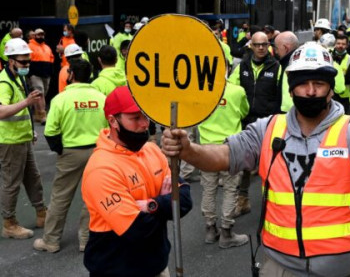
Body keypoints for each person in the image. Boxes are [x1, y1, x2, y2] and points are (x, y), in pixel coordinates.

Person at [161, 42, 350, 277]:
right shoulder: (268, 128)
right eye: (304, 83)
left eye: (319, 83)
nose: (311, 91)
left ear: (331, 88)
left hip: (338, 270)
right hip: (280, 267)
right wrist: (188, 150)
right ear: (292, 88)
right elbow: (225, 155)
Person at [81, 86, 192, 277]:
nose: (144, 124)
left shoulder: (151, 150)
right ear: (113, 121)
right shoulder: (102, 168)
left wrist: (151, 205)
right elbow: (138, 229)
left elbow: (184, 199)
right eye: (135, 118)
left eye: (145, 116)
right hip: (116, 270)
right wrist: (165, 202)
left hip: (157, 265)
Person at [33, 58, 108, 253]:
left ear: (71, 75)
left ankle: (51, 240)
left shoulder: (60, 99)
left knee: (60, 197)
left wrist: (60, 150)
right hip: (98, 152)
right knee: (92, 197)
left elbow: (50, 132)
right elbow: (110, 128)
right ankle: (87, 239)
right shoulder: (101, 97)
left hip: (70, 153)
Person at [228, 31, 291, 217]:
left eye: (264, 44)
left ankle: (273, 201)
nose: (261, 48)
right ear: (251, 46)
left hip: (269, 121)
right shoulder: (242, 67)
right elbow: (231, 89)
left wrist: (282, 118)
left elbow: (284, 96)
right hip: (247, 120)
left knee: (271, 162)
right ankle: (243, 199)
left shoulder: (277, 67)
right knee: (246, 163)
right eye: (257, 45)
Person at [0, 38, 47, 239]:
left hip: (22, 138)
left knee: (33, 178)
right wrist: (28, 101)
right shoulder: (4, 81)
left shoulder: (17, 78)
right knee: (11, 182)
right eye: (22, 62)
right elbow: (1, 111)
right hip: (10, 141)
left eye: (28, 62)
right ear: (11, 61)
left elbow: (21, 111)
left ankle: (42, 213)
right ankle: (9, 223)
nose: (26, 66)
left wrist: (30, 130)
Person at [198, 73, 249, 248]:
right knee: (230, 189)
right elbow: (244, 111)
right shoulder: (237, 91)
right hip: (230, 147)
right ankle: (226, 231)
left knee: (208, 189)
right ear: (226, 67)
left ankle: (210, 229)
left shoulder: (200, 90)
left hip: (206, 148)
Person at [28, 28, 54, 124]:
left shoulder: (47, 47)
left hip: (46, 74)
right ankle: (43, 115)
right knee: (40, 93)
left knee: (42, 93)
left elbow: (51, 59)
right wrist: (29, 74)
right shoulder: (29, 46)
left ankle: (37, 114)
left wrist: (50, 72)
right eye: (39, 35)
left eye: (42, 35)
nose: (41, 36)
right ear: (34, 36)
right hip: (35, 74)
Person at [331, 35, 350, 113]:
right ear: (335, 44)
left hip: (345, 96)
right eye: (338, 43)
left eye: (343, 44)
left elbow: (349, 78)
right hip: (331, 94)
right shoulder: (329, 57)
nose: (340, 46)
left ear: (347, 45)